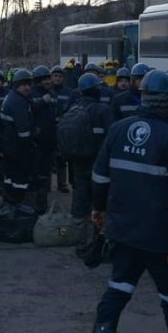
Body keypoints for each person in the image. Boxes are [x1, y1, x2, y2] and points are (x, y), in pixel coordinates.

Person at [90, 70, 168, 333]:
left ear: (142, 96)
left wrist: (98, 208)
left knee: (118, 288)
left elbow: (99, 177)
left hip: (123, 231)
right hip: (162, 237)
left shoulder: (118, 130)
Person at [65, 73, 112, 255]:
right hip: (99, 166)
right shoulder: (102, 110)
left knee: (79, 203)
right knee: (99, 204)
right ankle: (98, 244)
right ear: (96, 90)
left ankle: (80, 244)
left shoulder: (74, 108)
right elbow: (111, 138)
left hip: (78, 164)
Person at [0, 69, 36, 205]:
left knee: (10, 177)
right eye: (23, 85)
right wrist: (30, 145)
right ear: (16, 85)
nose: (27, 88)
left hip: (9, 145)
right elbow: (23, 132)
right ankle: (20, 204)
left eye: (29, 84)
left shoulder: (12, 96)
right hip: (18, 147)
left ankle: (9, 201)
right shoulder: (18, 102)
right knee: (20, 179)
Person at [30, 65, 57, 213]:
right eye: (44, 79)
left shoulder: (52, 93)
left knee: (46, 173)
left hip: (49, 140)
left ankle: (42, 204)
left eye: (48, 78)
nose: (47, 81)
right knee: (36, 174)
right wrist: (41, 101)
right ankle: (34, 206)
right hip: (36, 142)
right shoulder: (31, 93)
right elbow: (29, 111)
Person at [51, 65, 74, 193]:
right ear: (51, 77)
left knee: (62, 157)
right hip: (49, 129)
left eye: (60, 76)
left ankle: (62, 184)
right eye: (55, 76)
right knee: (47, 157)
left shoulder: (69, 93)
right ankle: (46, 186)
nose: (58, 78)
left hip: (63, 129)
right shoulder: (47, 91)